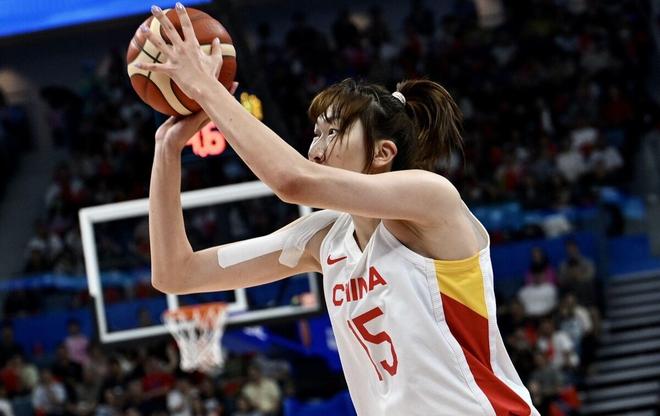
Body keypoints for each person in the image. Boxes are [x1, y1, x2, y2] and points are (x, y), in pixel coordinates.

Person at [138, 4, 539, 415]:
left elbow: (292, 181)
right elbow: (175, 273)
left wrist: (208, 89)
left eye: (333, 132)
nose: (316, 149)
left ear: (383, 153)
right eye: (316, 133)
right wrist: (166, 149)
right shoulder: (324, 240)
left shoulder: (431, 198)